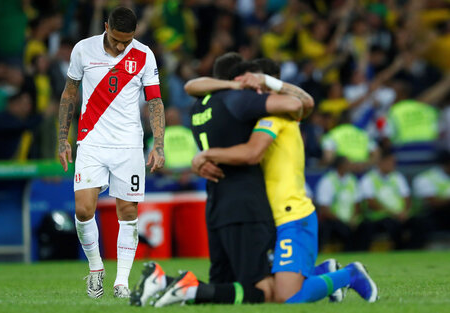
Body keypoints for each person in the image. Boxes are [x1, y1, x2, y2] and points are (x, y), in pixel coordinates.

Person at [134, 58, 378, 307]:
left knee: (286, 296)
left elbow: (253, 152)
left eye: (255, 82)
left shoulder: (278, 116)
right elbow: (194, 86)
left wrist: (206, 155)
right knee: (261, 285)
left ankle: (348, 275)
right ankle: (323, 271)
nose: (252, 87)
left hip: (292, 214)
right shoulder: (256, 115)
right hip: (268, 215)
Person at [130, 53, 310, 307]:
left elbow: (191, 86)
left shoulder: (199, 107)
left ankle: (171, 285)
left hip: (216, 202)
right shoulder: (239, 100)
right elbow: (295, 106)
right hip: (246, 204)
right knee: (264, 291)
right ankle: (169, 283)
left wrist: (201, 159)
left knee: (225, 287)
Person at [57, 7, 165, 299]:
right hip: (90, 141)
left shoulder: (144, 54)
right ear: (106, 26)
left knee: (128, 213)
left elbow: (154, 101)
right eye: (116, 39)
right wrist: (62, 139)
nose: (120, 46)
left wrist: (158, 144)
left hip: (129, 144)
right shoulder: (83, 49)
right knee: (83, 209)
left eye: (126, 41)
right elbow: (69, 93)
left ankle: (121, 282)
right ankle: (95, 269)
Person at [357, 150, 410, 250]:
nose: (393, 165)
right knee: (390, 223)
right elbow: (371, 203)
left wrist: (405, 212)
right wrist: (393, 213)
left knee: (418, 223)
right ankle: (398, 250)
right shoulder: (368, 179)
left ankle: (412, 250)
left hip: (400, 215)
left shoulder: (398, 177)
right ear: (381, 162)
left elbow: (406, 197)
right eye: (390, 162)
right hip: (379, 217)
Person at [315, 156, 361, 251]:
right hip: (333, 219)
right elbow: (324, 208)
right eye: (348, 164)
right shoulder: (328, 181)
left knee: (363, 227)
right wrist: (341, 220)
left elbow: (357, 204)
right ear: (340, 166)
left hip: (350, 220)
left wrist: (353, 218)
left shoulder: (352, 180)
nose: (350, 166)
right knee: (332, 227)